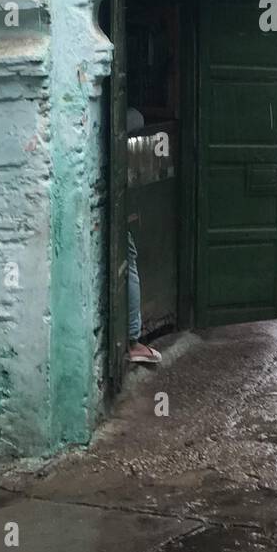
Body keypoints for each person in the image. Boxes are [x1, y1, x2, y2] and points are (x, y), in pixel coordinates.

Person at [126, 105, 161, 365]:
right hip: (115, 200)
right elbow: (137, 118)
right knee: (128, 263)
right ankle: (132, 340)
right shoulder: (130, 116)